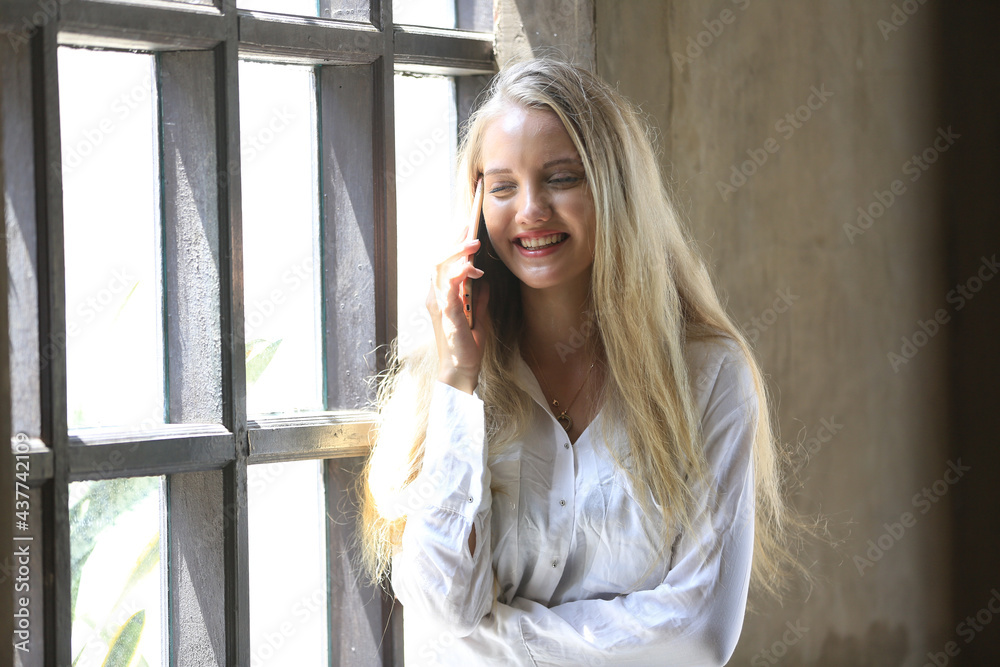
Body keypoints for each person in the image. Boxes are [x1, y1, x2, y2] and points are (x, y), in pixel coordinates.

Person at [360, 58, 799, 666]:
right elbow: (441, 611)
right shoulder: (443, 381)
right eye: (503, 185)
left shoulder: (710, 377)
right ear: (476, 205)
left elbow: (698, 638)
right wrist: (459, 379)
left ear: (615, 192)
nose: (531, 209)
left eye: (560, 178)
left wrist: (493, 641)